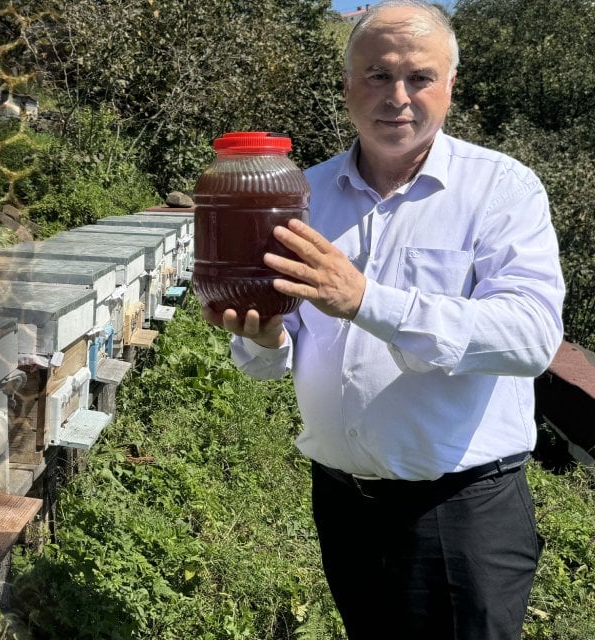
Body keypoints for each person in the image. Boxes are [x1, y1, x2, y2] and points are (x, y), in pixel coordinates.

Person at [203, 1, 565, 638]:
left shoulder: (503, 190)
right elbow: (276, 351)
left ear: (450, 86)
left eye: (419, 77)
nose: (397, 96)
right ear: (348, 87)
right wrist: (261, 340)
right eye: (376, 75)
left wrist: (368, 300)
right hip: (343, 503)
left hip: (462, 513)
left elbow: (532, 337)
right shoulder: (298, 194)